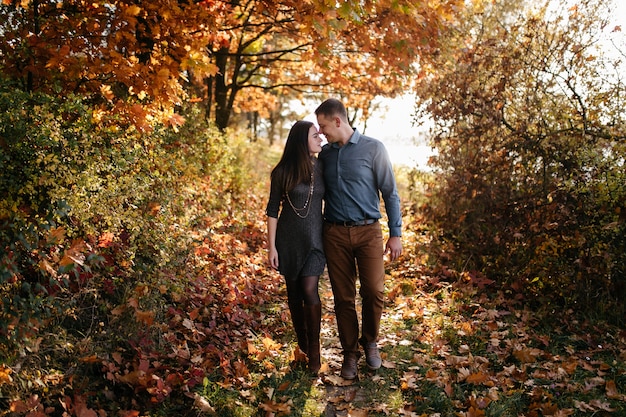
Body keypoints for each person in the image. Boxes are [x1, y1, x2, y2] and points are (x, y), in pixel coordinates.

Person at [315, 98, 403, 380]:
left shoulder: (374, 148)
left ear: (338, 121)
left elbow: (390, 192)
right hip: (335, 233)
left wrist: (395, 233)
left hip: (368, 232)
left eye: (324, 126)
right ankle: (350, 353)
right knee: (343, 297)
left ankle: (371, 341)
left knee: (374, 291)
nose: (322, 132)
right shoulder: (325, 155)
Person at [266, 120, 326, 374]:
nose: (320, 139)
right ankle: (301, 343)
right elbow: (272, 211)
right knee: (294, 296)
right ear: (303, 141)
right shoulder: (282, 172)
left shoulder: (322, 167)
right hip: (288, 241)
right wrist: (272, 248)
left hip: (315, 241)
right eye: (315, 136)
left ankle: (314, 350)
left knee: (309, 289)